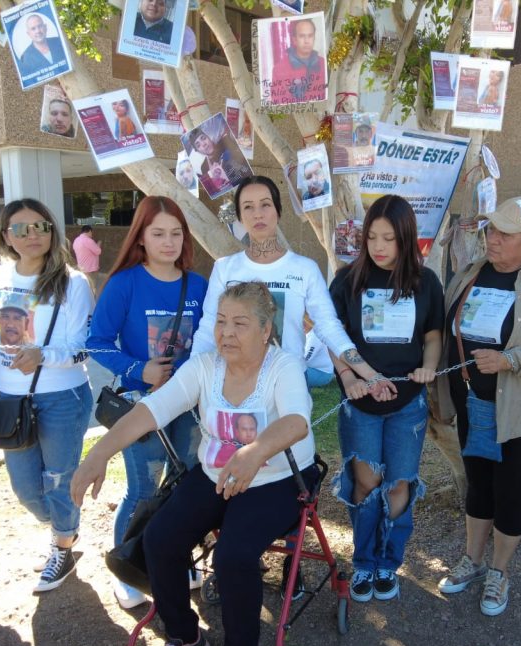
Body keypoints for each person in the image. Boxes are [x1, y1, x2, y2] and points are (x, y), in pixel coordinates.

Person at [73, 281, 317, 646]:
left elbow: (298, 421)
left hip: (279, 478)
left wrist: (256, 451)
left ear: (265, 330)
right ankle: (186, 639)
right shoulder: (205, 367)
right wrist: (98, 453)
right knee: (161, 538)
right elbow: (152, 410)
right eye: (221, 321)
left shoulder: (283, 367)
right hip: (214, 474)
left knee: (234, 556)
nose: (227, 332)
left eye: (240, 323)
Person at [430, 197, 521, 616]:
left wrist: (510, 360)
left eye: (506, 234)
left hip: (520, 408)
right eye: (492, 231)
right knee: (478, 482)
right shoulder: (469, 274)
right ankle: (473, 560)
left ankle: (499, 570)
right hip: (470, 399)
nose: (493, 240)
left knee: (510, 489)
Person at [87, 196, 208, 609]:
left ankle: (176, 559)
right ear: (140, 236)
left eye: (176, 233)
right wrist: (141, 370)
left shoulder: (200, 285)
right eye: (158, 233)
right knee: (143, 488)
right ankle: (128, 569)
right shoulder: (124, 284)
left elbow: (209, 347)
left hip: (191, 407)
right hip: (144, 406)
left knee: (188, 484)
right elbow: (97, 343)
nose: (169, 241)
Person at [329, 195, 444, 602]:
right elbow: (334, 335)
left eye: (389, 238)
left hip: (407, 403)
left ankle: (388, 563)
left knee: (398, 484)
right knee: (365, 482)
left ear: (406, 238)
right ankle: (363, 562)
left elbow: (432, 336)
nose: (378, 246)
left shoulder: (425, 282)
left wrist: (429, 368)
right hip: (360, 403)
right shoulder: (347, 280)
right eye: (372, 237)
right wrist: (347, 376)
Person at [0, 199, 94, 593]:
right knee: (27, 489)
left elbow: (84, 348)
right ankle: (65, 527)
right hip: (11, 401)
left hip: (63, 397)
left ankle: (62, 545)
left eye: (41, 226)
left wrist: (43, 355)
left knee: (59, 480)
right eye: (21, 228)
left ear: (52, 231)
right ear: (5, 235)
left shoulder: (72, 282)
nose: (33, 236)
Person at [190, 176, 392, 393]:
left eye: (265, 205)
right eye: (248, 207)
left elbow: (328, 326)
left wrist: (369, 374)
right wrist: (190, 379)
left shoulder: (305, 269)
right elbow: (209, 326)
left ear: (278, 211)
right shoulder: (225, 268)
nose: (258, 213)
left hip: (288, 382)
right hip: (232, 383)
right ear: (239, 216)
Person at [268, 17, 327, 104]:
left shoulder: (324, 64)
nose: (307, 41)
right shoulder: (279, 69)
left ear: (314, 37)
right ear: (294, 40)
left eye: (310, 36)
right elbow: (279, 103)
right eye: (302, 36)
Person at [187, 125, 247, 193]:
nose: (204, 144)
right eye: (198, 145)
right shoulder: (204, 167)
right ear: (197, 151)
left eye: (203, 138)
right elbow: (222, 191)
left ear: (209, 137)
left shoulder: (225, 140)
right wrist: (217, 177)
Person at [17, 14, 66, 80]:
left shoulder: (59, 42)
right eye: (33, 29)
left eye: (40, 26)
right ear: (28, 33)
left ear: (45, 27)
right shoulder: (25, 58)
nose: (38, 31)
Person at [72, 225, 103, 299]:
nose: (92, 235)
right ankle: (91, 306)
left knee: (84, 288)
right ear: (89, 231)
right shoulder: (88, 240)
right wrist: (98, 244)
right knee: (92, 289)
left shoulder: (76, 240)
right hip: (91, 269)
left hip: (81, 269)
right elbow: (98, 251)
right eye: (91, 233)